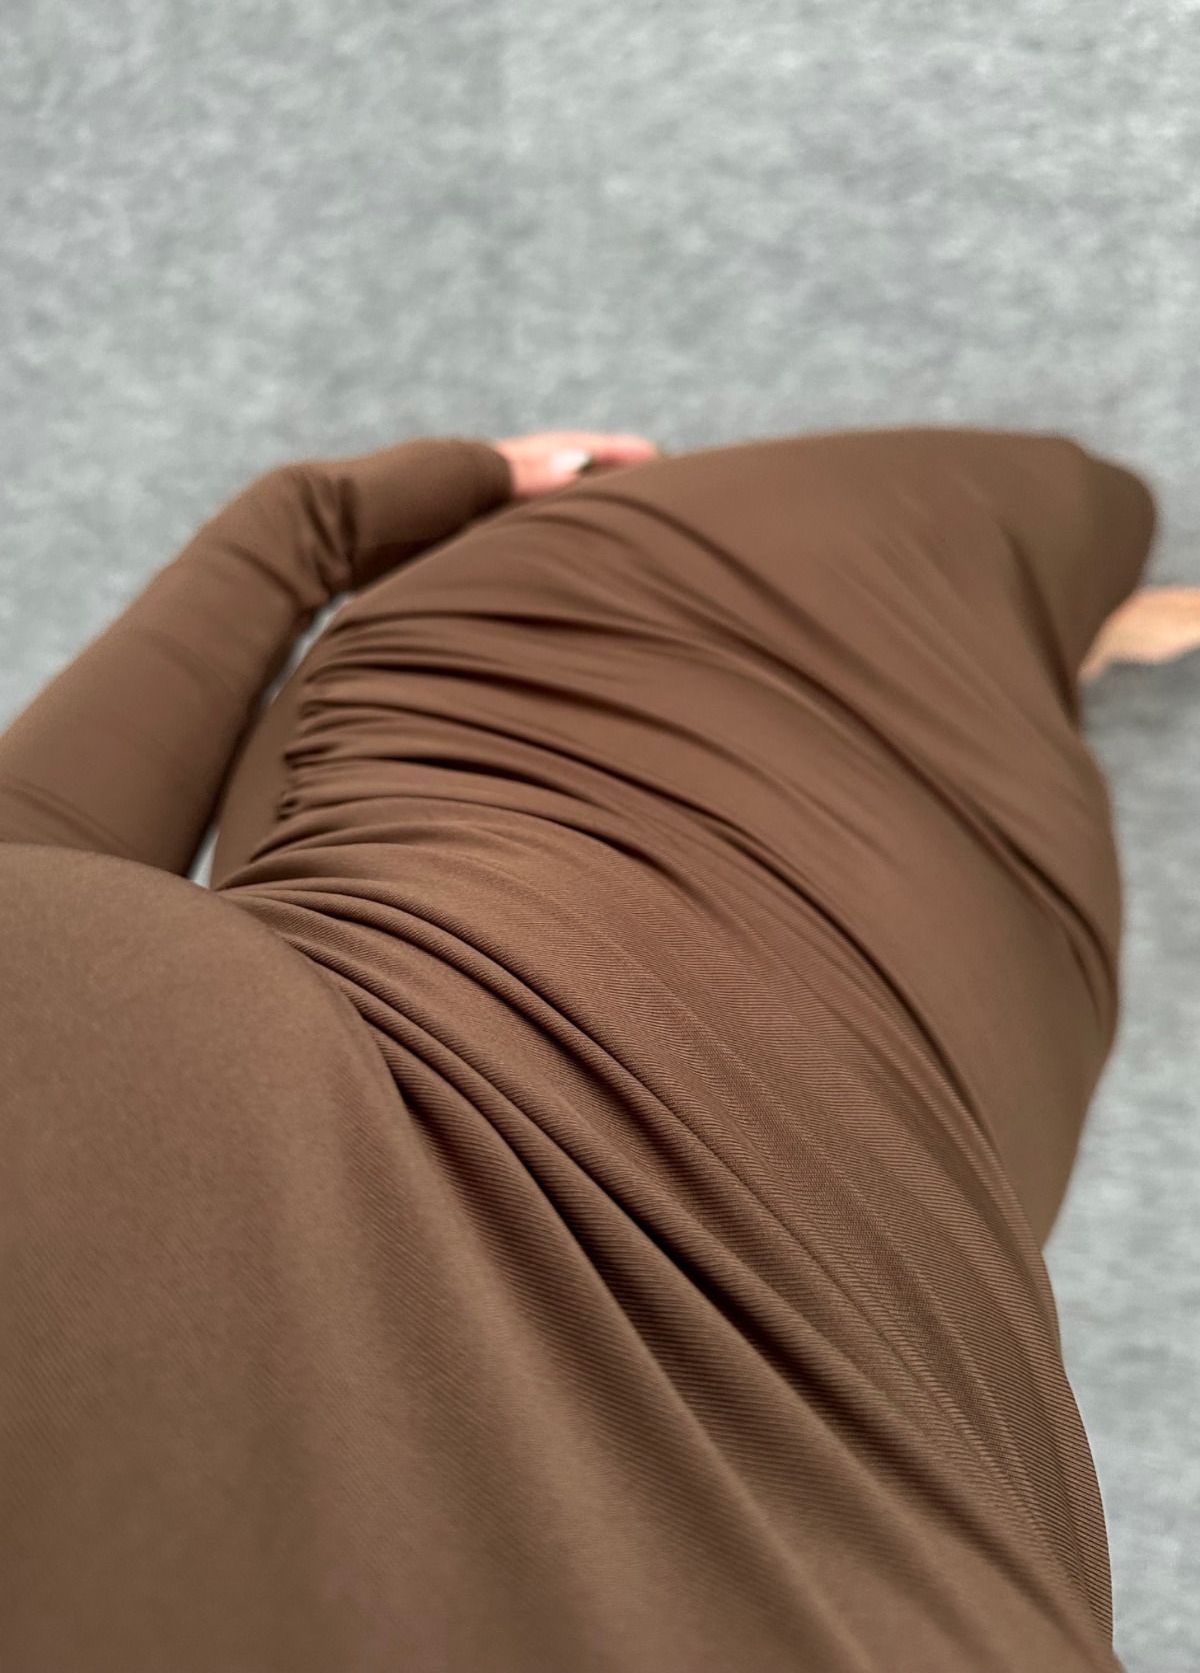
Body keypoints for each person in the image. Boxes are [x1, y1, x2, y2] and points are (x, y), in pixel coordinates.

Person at [0, 421, 1196, 1673]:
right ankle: (1061, 653)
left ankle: (1063, 648)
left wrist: (306, 531)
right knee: (1033, 530)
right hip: (915, 1180)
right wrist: (297, 530)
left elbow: (40, 869)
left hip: (551, 754)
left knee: (1065, 518)